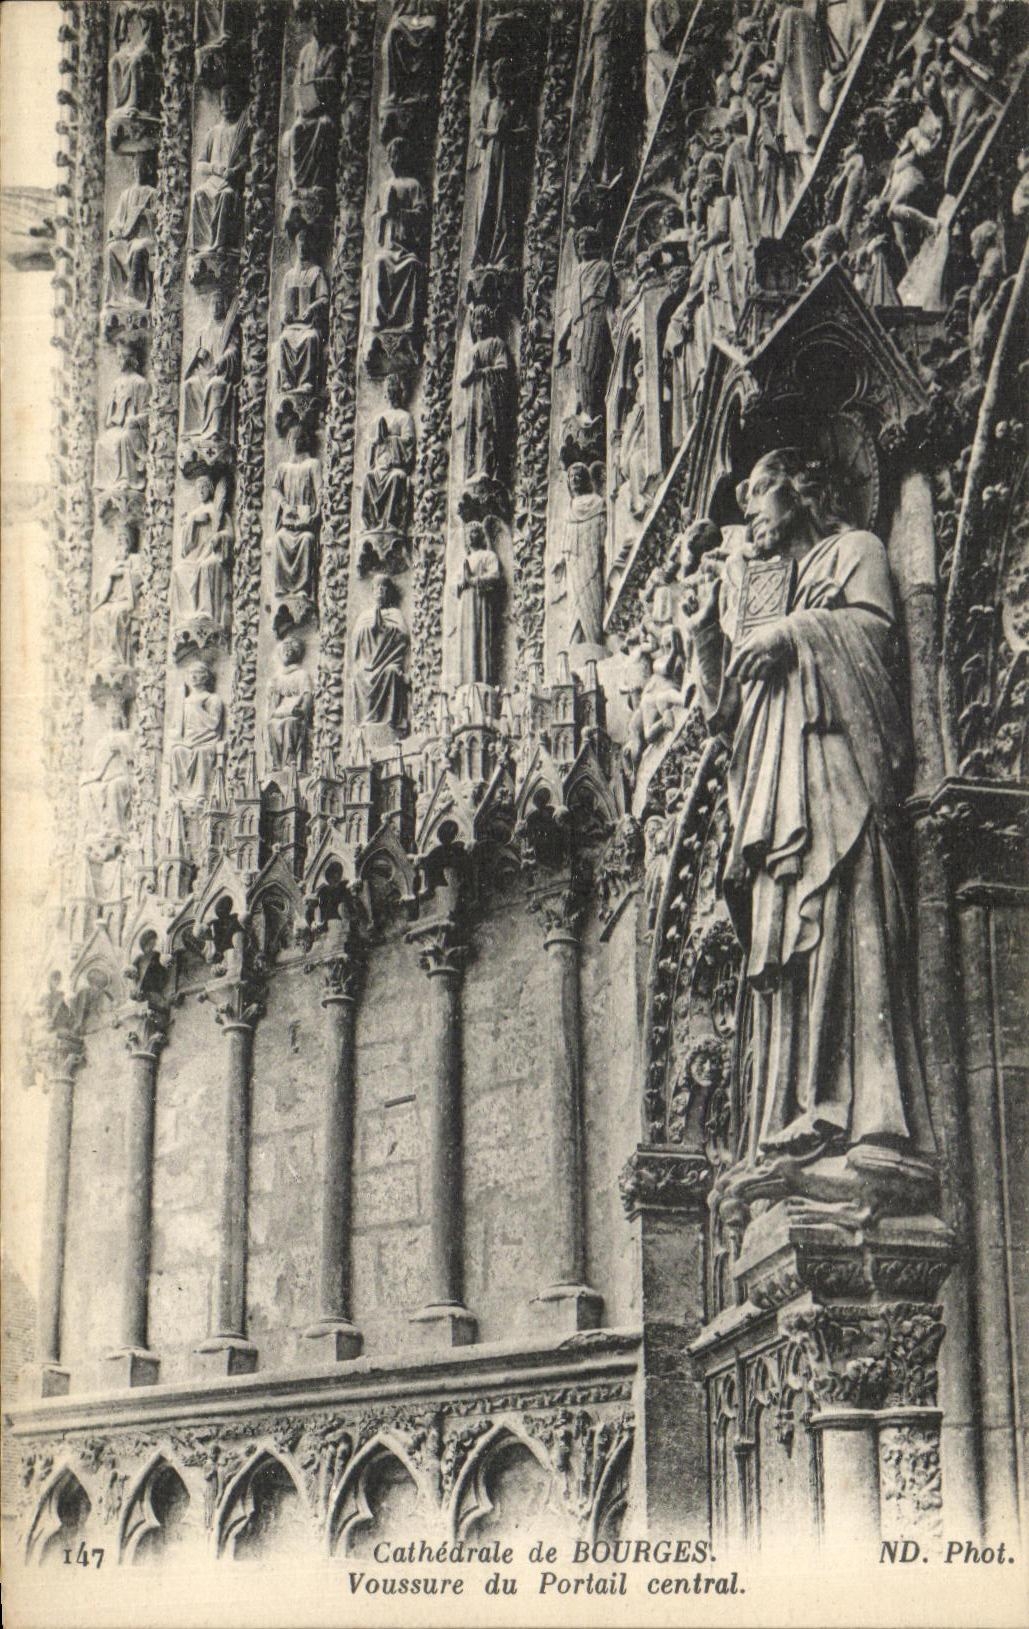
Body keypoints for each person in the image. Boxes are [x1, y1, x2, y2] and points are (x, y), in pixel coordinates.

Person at [686, 449, 934, 1186]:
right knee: (781, 948)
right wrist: (708, 638)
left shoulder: (853, 551)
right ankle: (787, 1118)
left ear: (803, 492)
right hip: (769, 791)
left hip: (832, 773)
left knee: (839, 922)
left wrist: (792, 635)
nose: (751, 511)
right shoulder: (761, 592)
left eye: (761, 492)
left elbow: (876, 640)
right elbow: (727, 718)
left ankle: (860, 1116)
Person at [351, 575, 409, 729]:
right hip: (368, 663)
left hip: (387, 662)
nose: (380, 590)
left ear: (389, 592)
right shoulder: (365, 616)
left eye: (384, 587)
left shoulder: (395, 614)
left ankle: (389, 722)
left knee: (391, 672)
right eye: (377, 587)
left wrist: (386, 629)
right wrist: (369, 629)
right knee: (358, 676)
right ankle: (365, 721)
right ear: (372, 591)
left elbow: (403, 636)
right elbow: (355, 641)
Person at [456, 521, 503, 686]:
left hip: (481, 600)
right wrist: (461, 583)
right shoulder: (466, 559)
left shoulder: (488, 556)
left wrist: (474, 580)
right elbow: (458, 585)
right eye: (468, 533)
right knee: (467, 640)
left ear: (481, 536)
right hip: (466, 603)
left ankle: (483, 679)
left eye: (474, 532)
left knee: (481, 636)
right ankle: (467, 679)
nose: (470, 536)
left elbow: (495, 575)